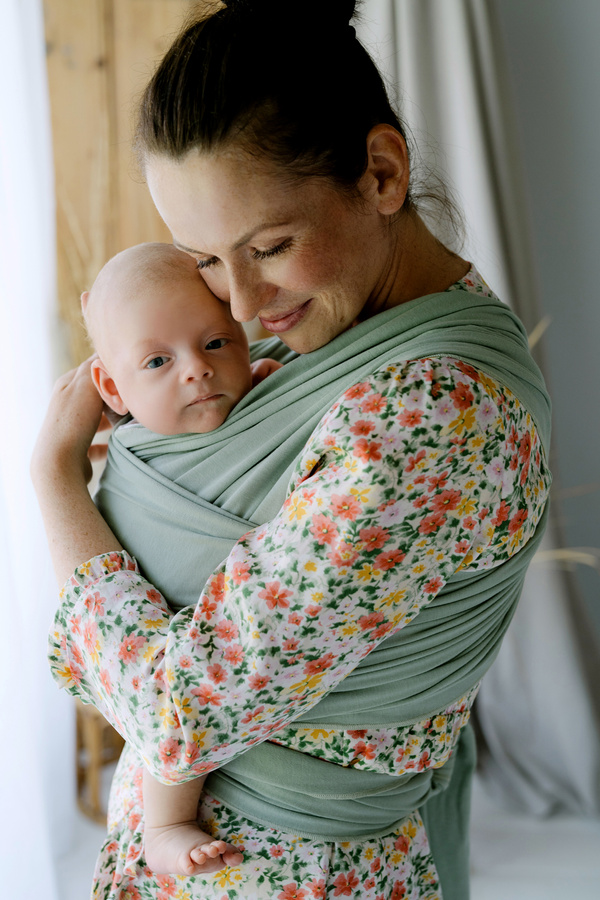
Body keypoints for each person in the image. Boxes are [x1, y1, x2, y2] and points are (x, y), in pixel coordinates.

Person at [32, 2, 552, 898]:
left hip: (285, 873)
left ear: (382, 172)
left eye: (268, 247)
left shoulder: (435, 414)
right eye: (203, 259)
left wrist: (55, 485)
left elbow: (175, 714)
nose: (235, 306)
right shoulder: (307, 333)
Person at [83, 240, 284, 875]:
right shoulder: (134, 451)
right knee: (167, 726)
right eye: (157, 361)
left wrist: (268, 396)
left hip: (252, 637)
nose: (195, 369)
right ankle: (167, 824)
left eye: (217, 343)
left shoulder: (263, 396)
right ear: (114, 387)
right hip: (174, 637)